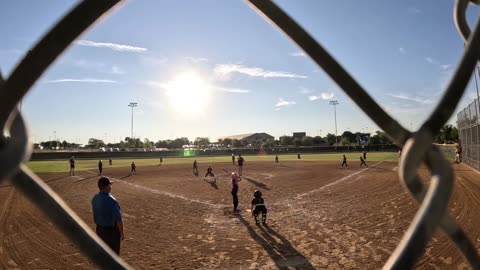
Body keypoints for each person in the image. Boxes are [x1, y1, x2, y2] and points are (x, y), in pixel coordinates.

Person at [91, 177, 124, 255]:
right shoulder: (111, 200)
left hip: (99, 230)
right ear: (106, 186)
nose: (111, 187)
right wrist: (122, 233)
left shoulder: (95, 198)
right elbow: (118, 220)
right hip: (111, 232)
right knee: (113, 255)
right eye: (110, 185)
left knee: (103, 254)